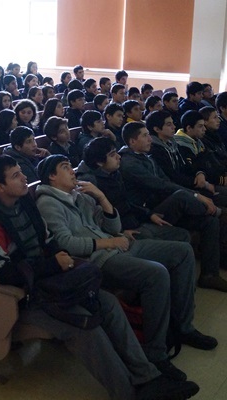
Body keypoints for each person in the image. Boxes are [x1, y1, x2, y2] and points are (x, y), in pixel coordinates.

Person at [0, 155, 200, 400]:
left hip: (50, 284)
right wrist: (52, 264)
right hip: (24, 297)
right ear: (0, 186)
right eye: (16, 175)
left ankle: (148, 377)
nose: (25, 177)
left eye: (21, 171)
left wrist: (59, 260)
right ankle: (128, 393)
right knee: (85, 326)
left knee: (108, 304)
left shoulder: (24, 202)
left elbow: (48, 240)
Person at [36, 154, 217, 380]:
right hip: (98, 260)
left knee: (183, 252)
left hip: (118, 245)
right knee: (156, 274)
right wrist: (109, 243)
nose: (73, 171)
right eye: (65, 168)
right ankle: (155, 352)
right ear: (51, 176)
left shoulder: (80, 196)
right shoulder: (48, 203)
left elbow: (113, 226)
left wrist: (102, 197)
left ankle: (183, 327)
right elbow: (66, 243)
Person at [78, 136, 227, 292]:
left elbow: (131, 200)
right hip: (129, 227)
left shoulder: (115, 172)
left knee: (208, 222)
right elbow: (94, 220)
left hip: (143, 214)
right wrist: (119, 232)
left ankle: (209, 274)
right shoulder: (96, 181)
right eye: (112, 154)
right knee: (183, 202)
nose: (118, 157)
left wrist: (149, 214)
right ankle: (176, 289)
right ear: (99, 162)